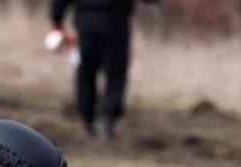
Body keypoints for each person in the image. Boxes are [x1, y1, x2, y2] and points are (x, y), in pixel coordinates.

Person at [47, 0, 159, 139]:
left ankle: (87, 119)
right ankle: (108, 118)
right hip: (116, 25)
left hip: (86, 26)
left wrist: (57, 20)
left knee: (86, 73)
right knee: (116, 73)